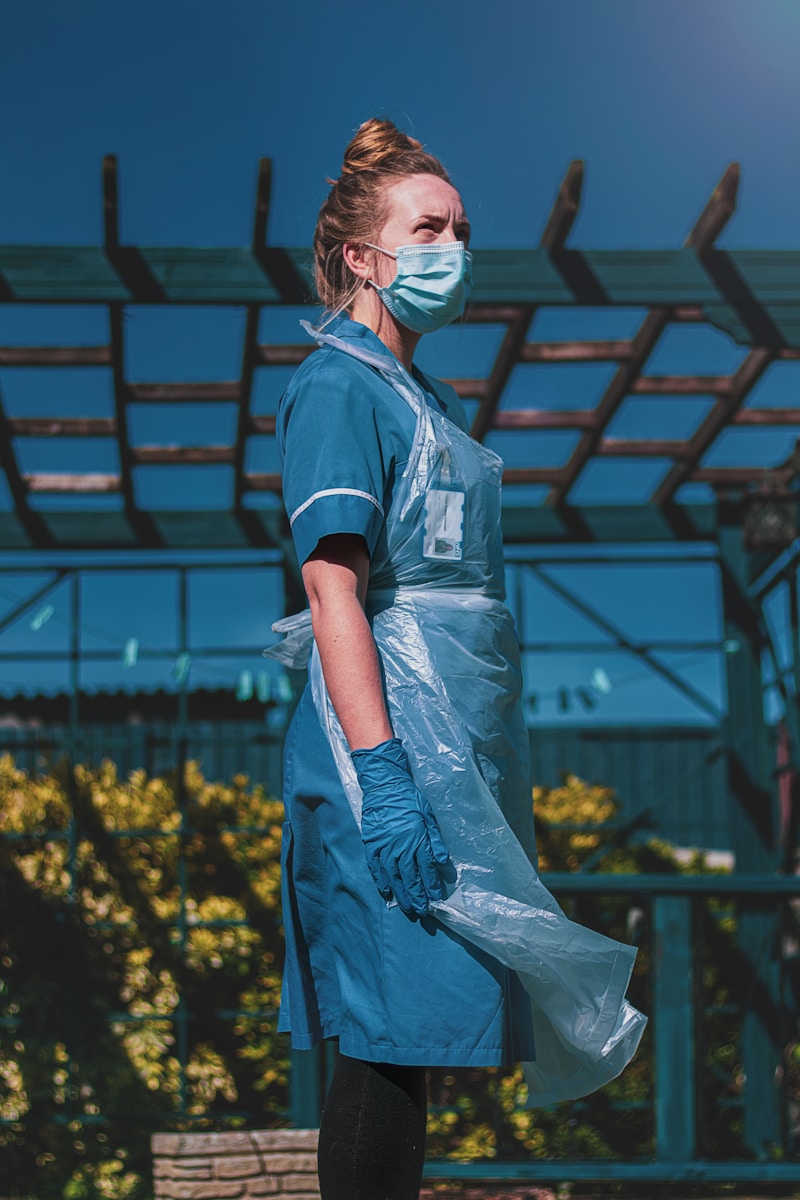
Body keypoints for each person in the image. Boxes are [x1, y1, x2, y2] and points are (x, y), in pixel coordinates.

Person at [269, 118, 645, 1200]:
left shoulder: (424, 398)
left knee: (415, 1034)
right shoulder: (338, 386)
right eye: (429, 228)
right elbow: (332, 588)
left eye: (462, 231)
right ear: (362, 255)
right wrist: (384, 777)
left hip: (451, 748)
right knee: (384, 1039)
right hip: (382, 749)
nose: (454, 249)